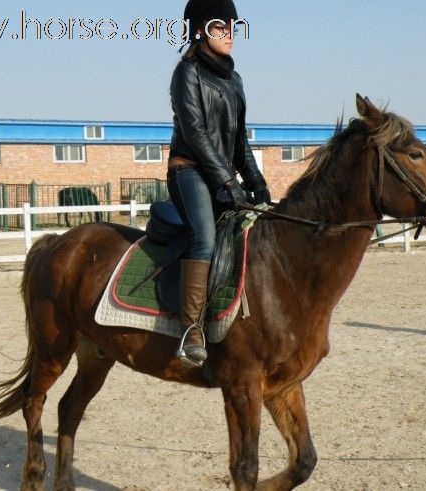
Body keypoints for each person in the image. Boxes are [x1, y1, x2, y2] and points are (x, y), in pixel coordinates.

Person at [168, 0, 271, 367]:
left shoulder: (234, 79)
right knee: (206, 238)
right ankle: (191, 330)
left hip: (223, 177)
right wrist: (229, 182)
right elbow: (196, 133)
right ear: (199, 29)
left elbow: (238, 138)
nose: (230, 34)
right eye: (220, 26)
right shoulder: (187, 72)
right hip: (190, 172)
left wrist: (256, 180)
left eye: (233, 27)